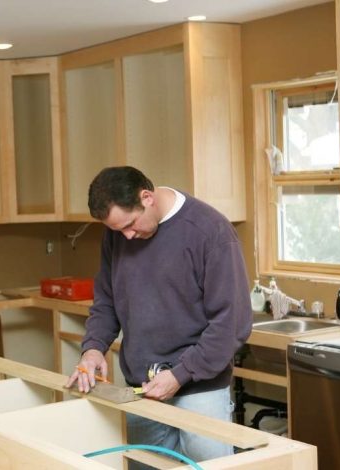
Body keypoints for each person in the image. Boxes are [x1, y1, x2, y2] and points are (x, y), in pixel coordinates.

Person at [65, 166, 251, 468]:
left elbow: (231, 325)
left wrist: (180, 374)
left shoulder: (209, 231)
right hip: (141, 390)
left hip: (200, 390)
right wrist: (94, 347)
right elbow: (107, 301)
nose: (126, 236)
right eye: (117, 231)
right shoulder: (118, 235)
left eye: (129, 225)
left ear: (147, 197)